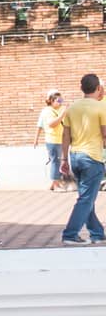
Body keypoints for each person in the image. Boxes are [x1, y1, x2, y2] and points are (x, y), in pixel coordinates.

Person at [59, 73, 106, 245]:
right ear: (98, 89)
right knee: (86, 199)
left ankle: (97, 233)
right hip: (92, 157)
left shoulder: (72, 108)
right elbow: (105, 133)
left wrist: (64, 159)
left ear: (81, 88)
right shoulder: (100, 108)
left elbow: (65, 135)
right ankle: (70, 234)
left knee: (87, 197)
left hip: (75, 156)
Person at [34, 90, 66, 191]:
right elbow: (51, 124)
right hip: (53, 140)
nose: (61, 102)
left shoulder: (61, 109)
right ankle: (55, 184)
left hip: (61, 140)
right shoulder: (47, 111)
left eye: (61, 100)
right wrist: (36, 139)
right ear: (51, 100)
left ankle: (55, 184)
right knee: (55, 162)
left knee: (60, 162)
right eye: (58, 100)